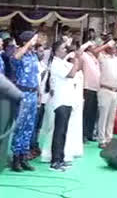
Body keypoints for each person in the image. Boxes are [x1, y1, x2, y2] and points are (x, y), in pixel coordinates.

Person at [47, 40, 87, 171]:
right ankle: (55, 160)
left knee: (63, 131)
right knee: (59, 132)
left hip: (67, 100)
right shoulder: (56, 64)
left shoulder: (63, 62)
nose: (66, 49)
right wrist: (75, 60)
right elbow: (71, 74)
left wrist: (77, 58)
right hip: (60, 101)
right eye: (63, 48)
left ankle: (61, 157)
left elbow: (76, 69)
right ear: (56, 51)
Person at [11, 30, 40, 172]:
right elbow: (15, 58)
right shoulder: (19, 53)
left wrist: (39, 92)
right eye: (33, 39)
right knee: (20, 126)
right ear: (26, 41)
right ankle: (15, 158)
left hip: (33, 93)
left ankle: (24, 156)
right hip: (23, 93)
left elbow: (36, 75)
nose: (35, 41)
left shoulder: (33, 55)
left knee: (29, 127)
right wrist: (28, 43)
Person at [97, 38, 117, 148]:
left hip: (115, 91)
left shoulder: (116, 59)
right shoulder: (102, 57)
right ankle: (101, 140)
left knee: (111, 117)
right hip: (105, 89)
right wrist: (106, 45)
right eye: (111, 47)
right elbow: (95, 51)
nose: (114, 48)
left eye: (114, 47)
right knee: (103, 116)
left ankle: (109, 138)